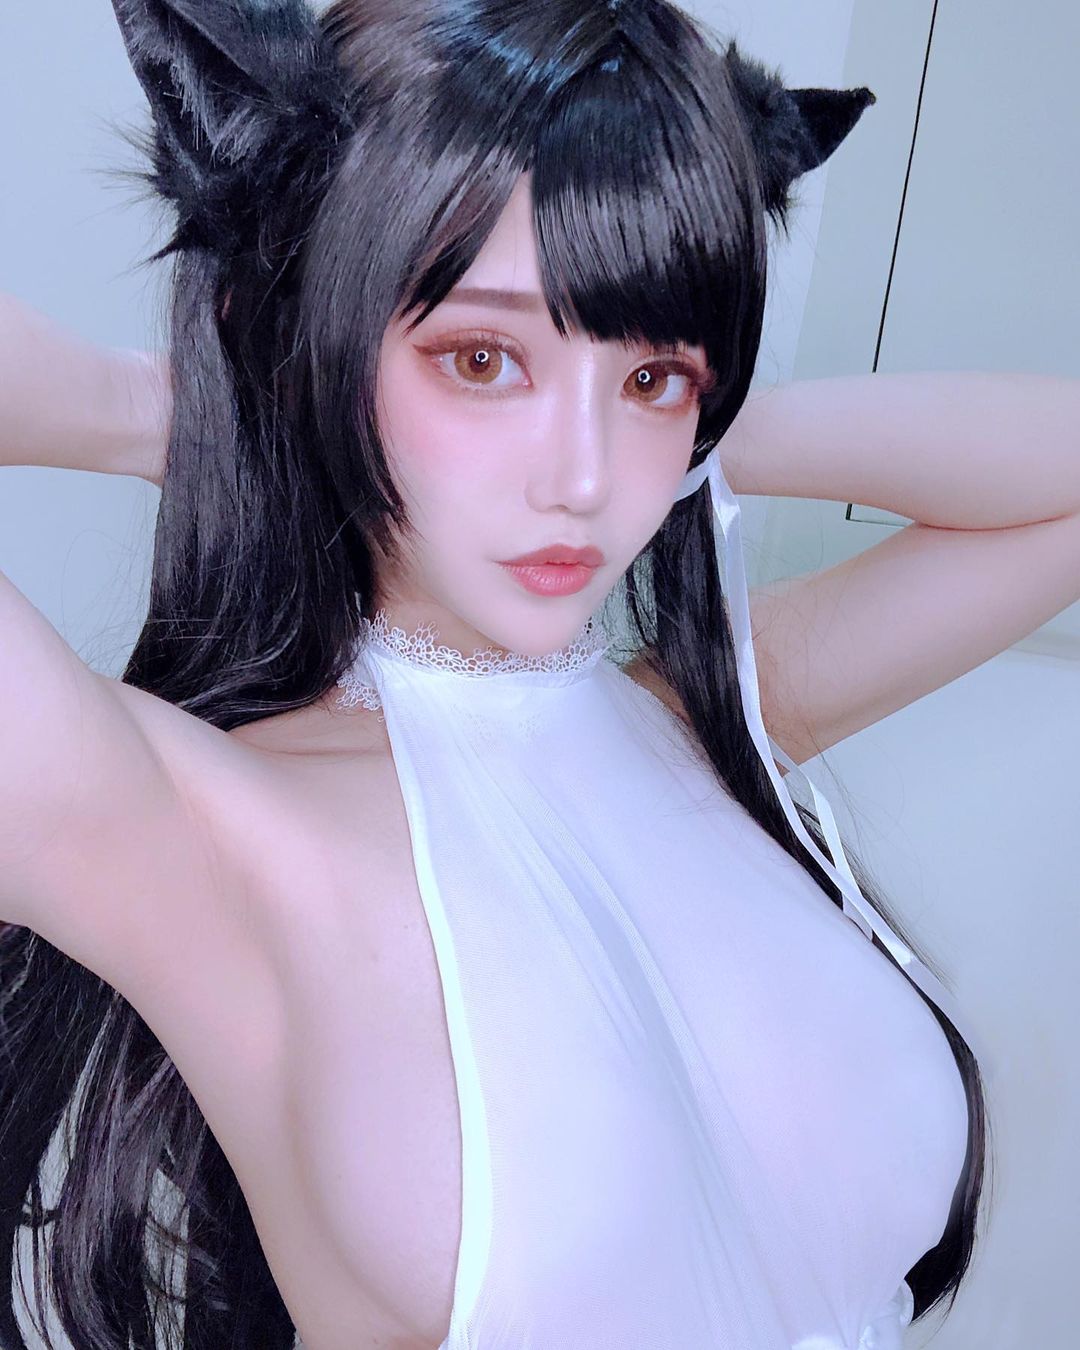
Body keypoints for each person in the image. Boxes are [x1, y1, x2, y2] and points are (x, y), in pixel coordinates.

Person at [20, 0, 1080, 1344]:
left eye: (654, 378)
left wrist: (699, 436)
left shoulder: (702, 724)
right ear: (320, 337)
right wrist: (208, 405)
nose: (584, 479)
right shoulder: (187, 827)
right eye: (483, 359)